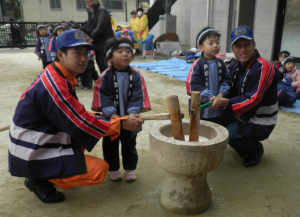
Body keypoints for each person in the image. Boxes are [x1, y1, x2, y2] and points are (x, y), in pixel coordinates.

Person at [8, 29, 144, 204]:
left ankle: (54, 170)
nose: (83, 59)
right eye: (77, 53)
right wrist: (121, 123)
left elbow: (78, 113)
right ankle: (39, 177)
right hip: (33, 150)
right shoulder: (56, 83)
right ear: (60, 55)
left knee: (85, 137)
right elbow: (80, 123)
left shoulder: (59, 75)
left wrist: (113, 118)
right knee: (99, 170)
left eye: (86, 53)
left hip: (39, 138)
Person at [209, 25, 278, 167]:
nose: (243, 50)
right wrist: (218, 96)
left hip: (261, 118)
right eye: (238, 46)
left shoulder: (264, 67)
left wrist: (225, 102)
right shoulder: (234, 66)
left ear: (254, 44)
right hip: (240, 111)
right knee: (210, 121)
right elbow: (227, 88)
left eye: (247, 45)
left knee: (229, 134)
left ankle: (255, 149)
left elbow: (254, 100)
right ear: (232, 48)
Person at [92, 37, 151, 182]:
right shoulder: (105, 76)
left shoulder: (137, 75)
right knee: (110, 145)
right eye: (120, 51)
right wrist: (111, 114)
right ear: (110, 57)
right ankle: (113, 169)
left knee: (130, 144)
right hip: (111, 119)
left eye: (128, 51)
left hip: (130, 120)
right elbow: (103, 95)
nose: (125, 54)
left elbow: (138, 95)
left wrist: (132, 113)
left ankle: (130, 168)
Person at [185, 27, 231, 122]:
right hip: (202, 105)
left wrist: (221, 95)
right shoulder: (197, 65)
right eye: (211, 43)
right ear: (201, 47)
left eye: (217, 42)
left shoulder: (221, 63)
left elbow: (226, 80)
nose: (215, 46)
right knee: (201, 128)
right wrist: (209, 97)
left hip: (217, 104)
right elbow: (194, 86)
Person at [86, 0, 114, 73]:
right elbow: (89, 25)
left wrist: (92, 37)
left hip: (103, 42)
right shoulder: (91, 11)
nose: (89, 4)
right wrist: (87, 35)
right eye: (87, 2)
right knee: (99, 62)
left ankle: (107, 81)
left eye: (90, 2)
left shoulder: (102, 10)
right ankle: (104, 79)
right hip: (97, 42)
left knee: (102, 64)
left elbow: (100, 26)